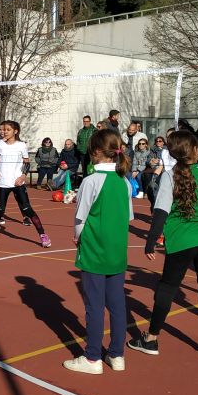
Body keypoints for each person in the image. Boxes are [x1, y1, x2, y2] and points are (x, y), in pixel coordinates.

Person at [128, 130, 198, 364]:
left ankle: (151, 338)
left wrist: (151, 240)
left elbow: (161, 211)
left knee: (167, 287)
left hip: (182, 239)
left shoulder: (169, 176)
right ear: (195, 150)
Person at [64, 128, 133, 374]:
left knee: (94, 304)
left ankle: (92, 357)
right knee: (117, 304)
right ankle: (117, 355)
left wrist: (77, 237)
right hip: (117, 249)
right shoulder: (124, 182)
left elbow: (80, 217)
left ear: (95, 152)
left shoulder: (91, 180)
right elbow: (129, 217)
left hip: (95, 248)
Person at [0, 121, 51, 248]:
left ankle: (43, 235)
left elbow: (27, 162)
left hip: (17, 182)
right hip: (3, 183)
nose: (4, 132)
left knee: (27, 208)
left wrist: (22, 176)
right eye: (2, 129)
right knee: (0, 208)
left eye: (7, 130)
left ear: (15, 131)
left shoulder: (21, 145)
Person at [75, 115, 95, 181]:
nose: (86, 122)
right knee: (84, 170)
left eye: (87, 121)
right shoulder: (80, 131)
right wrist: (79, 148)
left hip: (90, 154)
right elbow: (78, 141)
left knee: (91, 170)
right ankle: (84, 183)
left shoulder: (94, 130)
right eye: (84, 121)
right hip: (82, 153)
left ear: (90, 121)